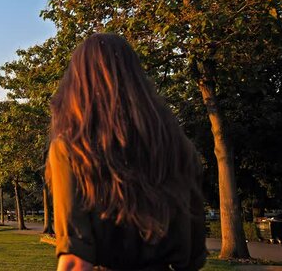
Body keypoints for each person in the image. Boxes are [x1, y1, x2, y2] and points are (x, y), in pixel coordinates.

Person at [46, 33, 206, 270]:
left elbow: (75, 261)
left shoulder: (73, 150)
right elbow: (195, 254)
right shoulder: (179, 149)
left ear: (78, 83)